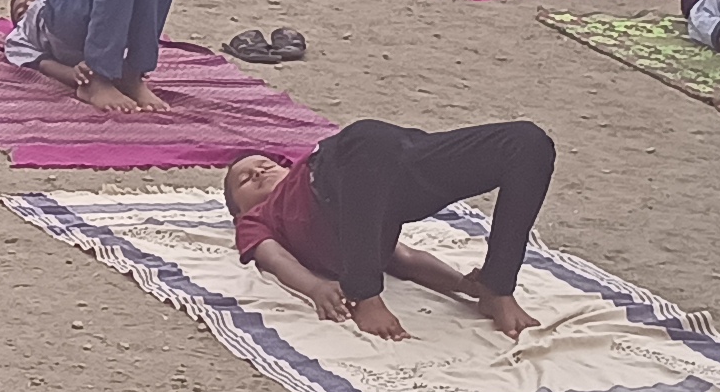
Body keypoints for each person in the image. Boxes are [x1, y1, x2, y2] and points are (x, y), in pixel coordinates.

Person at [221, 119, 552, 340]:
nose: (258, 171)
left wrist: (466, 285)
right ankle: (365, 293)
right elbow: (274, 258)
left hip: (386, 163)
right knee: (371, 142)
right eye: (244, 180)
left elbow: (407, 257)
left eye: (263, 164)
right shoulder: (259, 219)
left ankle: (497, 286)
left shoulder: (305, 171)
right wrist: (315, 288)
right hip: (365, 166)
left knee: (528, 143)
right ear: (242, 211)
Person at [7, 0, 178, 112]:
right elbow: (40, 64)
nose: (28, 4)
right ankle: (99, 79)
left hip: (85, 9)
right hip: (59, 21)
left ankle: (132, 75)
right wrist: (77, 76)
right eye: (20, 9)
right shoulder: (20, 34)